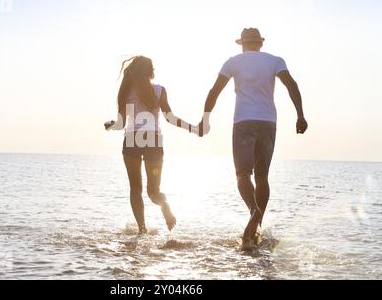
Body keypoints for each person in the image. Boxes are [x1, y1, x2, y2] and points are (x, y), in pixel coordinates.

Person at [198, 28, 308, 250]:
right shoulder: (275, 61)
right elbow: (292, 85)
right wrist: (300, 115)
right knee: (262, 176)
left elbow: (214, 91)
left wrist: (205, 119)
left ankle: (253, 211)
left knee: (242, 174)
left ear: (242, 44)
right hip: (268, 123)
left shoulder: (233, 62)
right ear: (260, 43)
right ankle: (256, 226)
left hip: (243, 123)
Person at [105, 56, 199, 235]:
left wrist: (111, 125)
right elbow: (170, 118)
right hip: (154, 141)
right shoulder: (159, 91)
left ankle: (142, 229)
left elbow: (120, 124)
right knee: (153, 192)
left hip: (132, 140)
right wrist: (192, 128)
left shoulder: (126, 91)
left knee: (135, 189)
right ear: (150, 72)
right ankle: (164, 205)